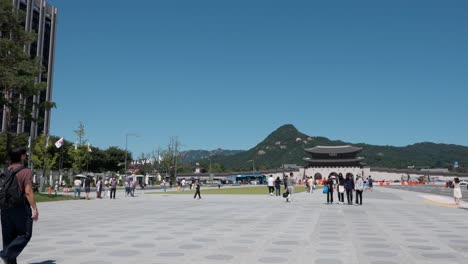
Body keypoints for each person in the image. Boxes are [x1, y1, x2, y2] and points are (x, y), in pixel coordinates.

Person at [0, 147, 39, 264]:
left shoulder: (5, 171)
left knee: (8, 239)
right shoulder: (26, 171)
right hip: (20, 208)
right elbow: (28, 191)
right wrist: (34, 208)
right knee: (25, 234)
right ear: (21, 156)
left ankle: (7, 255)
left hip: (5, 208)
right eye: (24, 155)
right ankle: (4, 253)